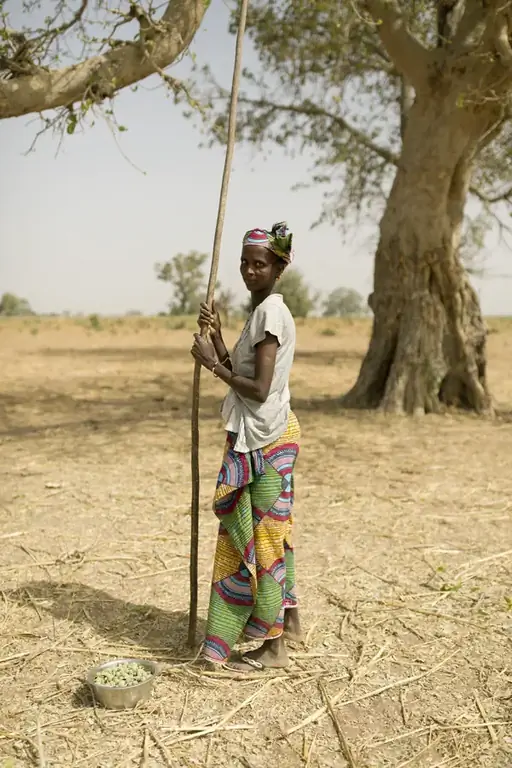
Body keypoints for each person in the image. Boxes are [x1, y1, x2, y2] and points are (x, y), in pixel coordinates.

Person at [190, 222, 302, 673]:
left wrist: (209, 365)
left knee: (267, 540)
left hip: (267, 438)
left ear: (278, 267)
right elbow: (243, 367)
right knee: (277, 533)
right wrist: (217, 337)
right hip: (265, 433)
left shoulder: (272, 314)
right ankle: (290, 620)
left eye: (260, 264)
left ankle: (274, 649)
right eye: (245, 263)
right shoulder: (260, 314)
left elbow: (256, 387)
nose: (249, 271)